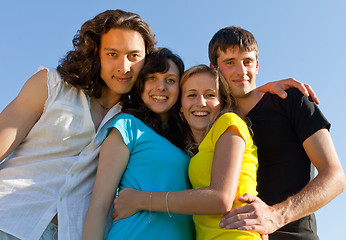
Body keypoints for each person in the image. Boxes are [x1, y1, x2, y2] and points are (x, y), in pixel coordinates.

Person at [0, 9, 155, 240]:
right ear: (96, 53)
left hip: (70, 233)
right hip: (10, 218)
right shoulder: (51, 85)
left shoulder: (137, 125)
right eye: (112, 54)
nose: (124, 67)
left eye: (133, 56)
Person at [208, 26, 345, 239]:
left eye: (248, 61)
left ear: (257, 65)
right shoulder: (213, 122)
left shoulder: (291, 100)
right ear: (213, 68)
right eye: (229, 63)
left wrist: (276, 216)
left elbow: (335, 177)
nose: (241, 71)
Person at [112, 64, 264, 239]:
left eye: (210, 95)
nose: (201, 102)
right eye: (192, 95)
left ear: (222, 103)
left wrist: (139, 200)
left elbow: (221, 199)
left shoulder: (229, 123)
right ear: (181, 109)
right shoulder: (194, 154)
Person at [82, 47, 195, 240]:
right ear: (140, 85)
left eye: (170, 80)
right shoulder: (127, 125)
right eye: (152, 78)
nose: (161, 87)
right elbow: (100, 204)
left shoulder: (188, 142)